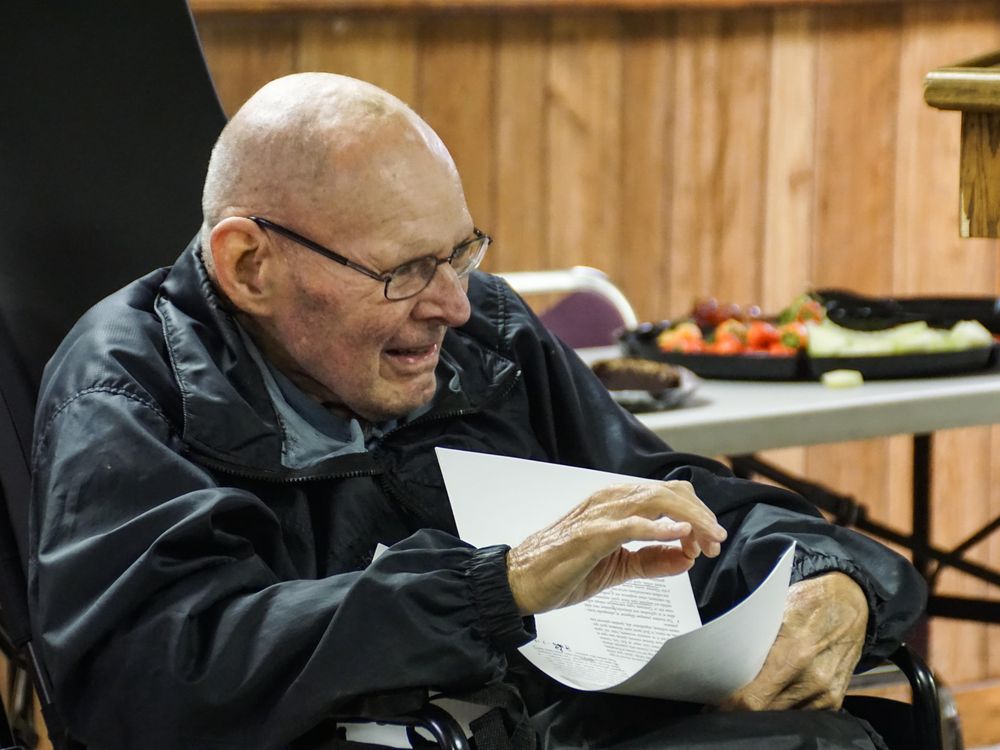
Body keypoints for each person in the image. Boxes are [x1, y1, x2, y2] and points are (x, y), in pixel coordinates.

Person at [29, 72, 925, 750]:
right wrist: (493, 589)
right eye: (404, 271)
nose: (452, 304)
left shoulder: (481, 328)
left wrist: (833, 578)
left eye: (460, 253)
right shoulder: (127, 389)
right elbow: (148, 681)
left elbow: (672, 500)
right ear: (249, 266)